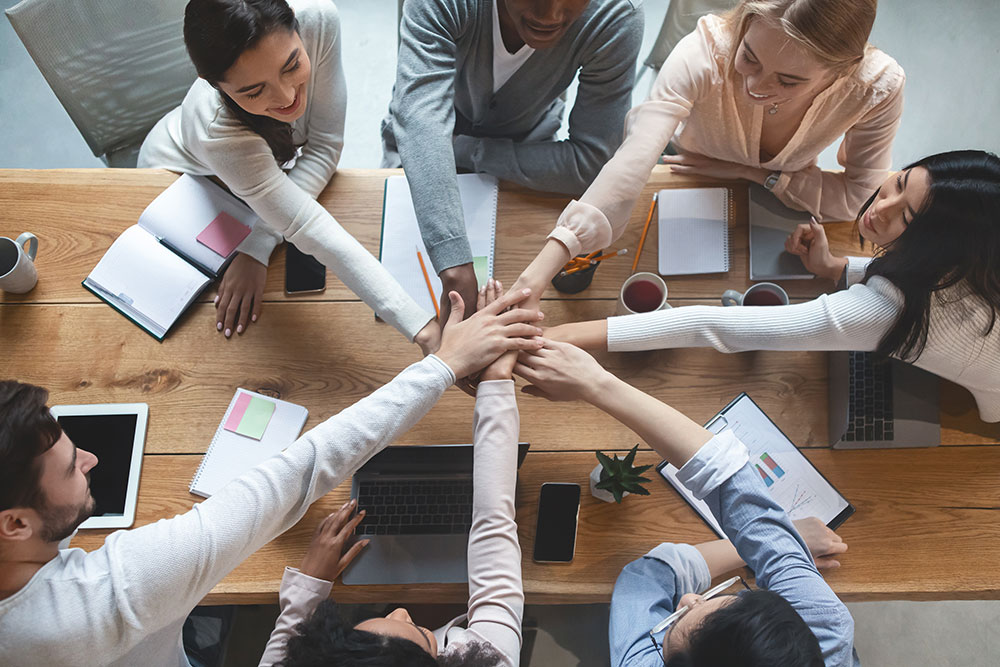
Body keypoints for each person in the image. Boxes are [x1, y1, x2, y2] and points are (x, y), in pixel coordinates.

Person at [0, 288, 544, 666]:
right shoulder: (116, 594)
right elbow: (297, 472)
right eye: (72, 467)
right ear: (15, 524)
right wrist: (446, 364)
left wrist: (308, 589)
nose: (91, 460)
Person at [542, 150, 1000, 422]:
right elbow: (928, 282)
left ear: (939, 248)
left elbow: (716, 327)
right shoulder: (979, 260)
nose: (881, 207)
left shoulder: (883, 313)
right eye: (898, 183)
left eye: (905, 216)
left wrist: (555, 337)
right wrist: (836, 266)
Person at [509, 0, 903, 316]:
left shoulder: (875, 88)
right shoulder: (703, 53)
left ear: (843, 71)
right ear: (746, 20)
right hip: (686, 168)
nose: (755, 87)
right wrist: (535, 276)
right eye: (749, 57)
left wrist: (748, 172)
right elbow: (630, 163)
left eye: (787, 81)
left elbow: (855, 199)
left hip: (778, 198)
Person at [513, 339, 857, 666]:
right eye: (732, 599)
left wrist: (766, 543)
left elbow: (646, 577)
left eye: (675, 622)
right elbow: (728, 478)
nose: (690, 598)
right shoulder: (823, 627)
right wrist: (594, 382)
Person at [139, 0, 439, 354]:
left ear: (296, 25)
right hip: (180, 178)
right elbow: (308, 227)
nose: (286, 98)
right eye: (253, 91)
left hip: (256, 176)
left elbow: (325, 145)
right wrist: (423, 329)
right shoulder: (216, 132)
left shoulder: (318, 20)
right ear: (212, 84)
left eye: (292, 65)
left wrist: (261, 240)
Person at [264, 280, 525, 667]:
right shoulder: (492, 659)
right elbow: (493, 522)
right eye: (422, 634)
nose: (399, 610)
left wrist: (307, 590)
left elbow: (281, 656)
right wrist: (496, 382)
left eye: (360, 629)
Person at [383, 0, 643, 320]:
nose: (550, 16)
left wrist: (467, 150)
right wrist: (454, 264)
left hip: (523, 143)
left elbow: (591, 162)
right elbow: (420, 123)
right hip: (422, 145)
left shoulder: (616, 14)